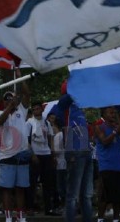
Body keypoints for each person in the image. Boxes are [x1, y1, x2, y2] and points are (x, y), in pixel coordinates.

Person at [50, 80, 93, 222]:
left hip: (86, 151)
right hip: (74, 150)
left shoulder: (79, 106)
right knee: (72, 195)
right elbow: (55, 116)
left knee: (86, 195)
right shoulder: (64, 103)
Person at [0, 69, 31, 222]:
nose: (11, 100)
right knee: (7, 189)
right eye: (7, 99)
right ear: (4, 102)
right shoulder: (0, 113)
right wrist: (9, 107)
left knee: (20, 188)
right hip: (7, 156)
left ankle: (21, 217)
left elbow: (27, 94)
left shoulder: (22, 110)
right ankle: (8, 218)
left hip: (22, 154)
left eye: (12, 98)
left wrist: (20, 77)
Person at [94, 106, 120, 222]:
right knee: (104, 197)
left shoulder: (117, 128)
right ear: (103, 115)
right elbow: (104, 141)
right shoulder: (99, 127)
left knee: (117, 198)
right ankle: (100, 219)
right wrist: (115, 131)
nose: (113, 114)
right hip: (106, 167)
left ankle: (116, 219)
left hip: (119, 167)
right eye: (110, 112)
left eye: (114, 112)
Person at [25, 101, 58, 216]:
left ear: (42, 110)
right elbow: (27, 140)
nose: (36, 111)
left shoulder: (46, 122)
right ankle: (29, 207)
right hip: (35, 153)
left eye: (38, 109)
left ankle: (48, 208)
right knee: (32, 182)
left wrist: (52, 153)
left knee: (48, 183)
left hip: (46, 153)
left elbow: (50, 138)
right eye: (34, 109)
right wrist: (32, 154)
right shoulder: (29, 122)